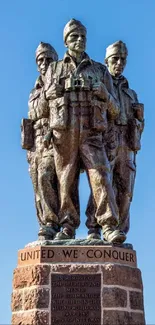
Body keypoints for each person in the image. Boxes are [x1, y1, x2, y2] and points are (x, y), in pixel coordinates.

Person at [45, 19, 126, 243]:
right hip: (65, 131)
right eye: (74, 36)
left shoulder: (100, 70)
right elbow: (42, 106)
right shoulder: (54, 69)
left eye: (82, 36)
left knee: (101, 175)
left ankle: (108, 226)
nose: (79, 40)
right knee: (66, 181)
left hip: (92, 132)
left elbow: (116, 110)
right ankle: (67, 226)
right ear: (65, 41)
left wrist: (104, 94)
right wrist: (56, 90)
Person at [86, 40, 144, 238]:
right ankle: (94, 227)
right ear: (107, 61)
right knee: (102, 183)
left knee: (126, 189)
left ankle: (118, 231)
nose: (119, 63)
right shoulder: (101, 85)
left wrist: (139, 120)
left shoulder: (131, 93)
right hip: (105, 139)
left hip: (126, 143)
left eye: (122, 59)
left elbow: (139, 125)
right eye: (115, 59)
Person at [22, 42, 60, 239]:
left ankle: (54, 222)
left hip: (57, 140)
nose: (44, 63)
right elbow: (35, 111)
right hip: (36, 143)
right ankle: (47, 224)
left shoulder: (60, 82)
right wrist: (46, 95)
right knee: (38, 185)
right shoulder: (36, 89)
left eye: (48, 59)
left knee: (51, 178)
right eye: (41, 60)